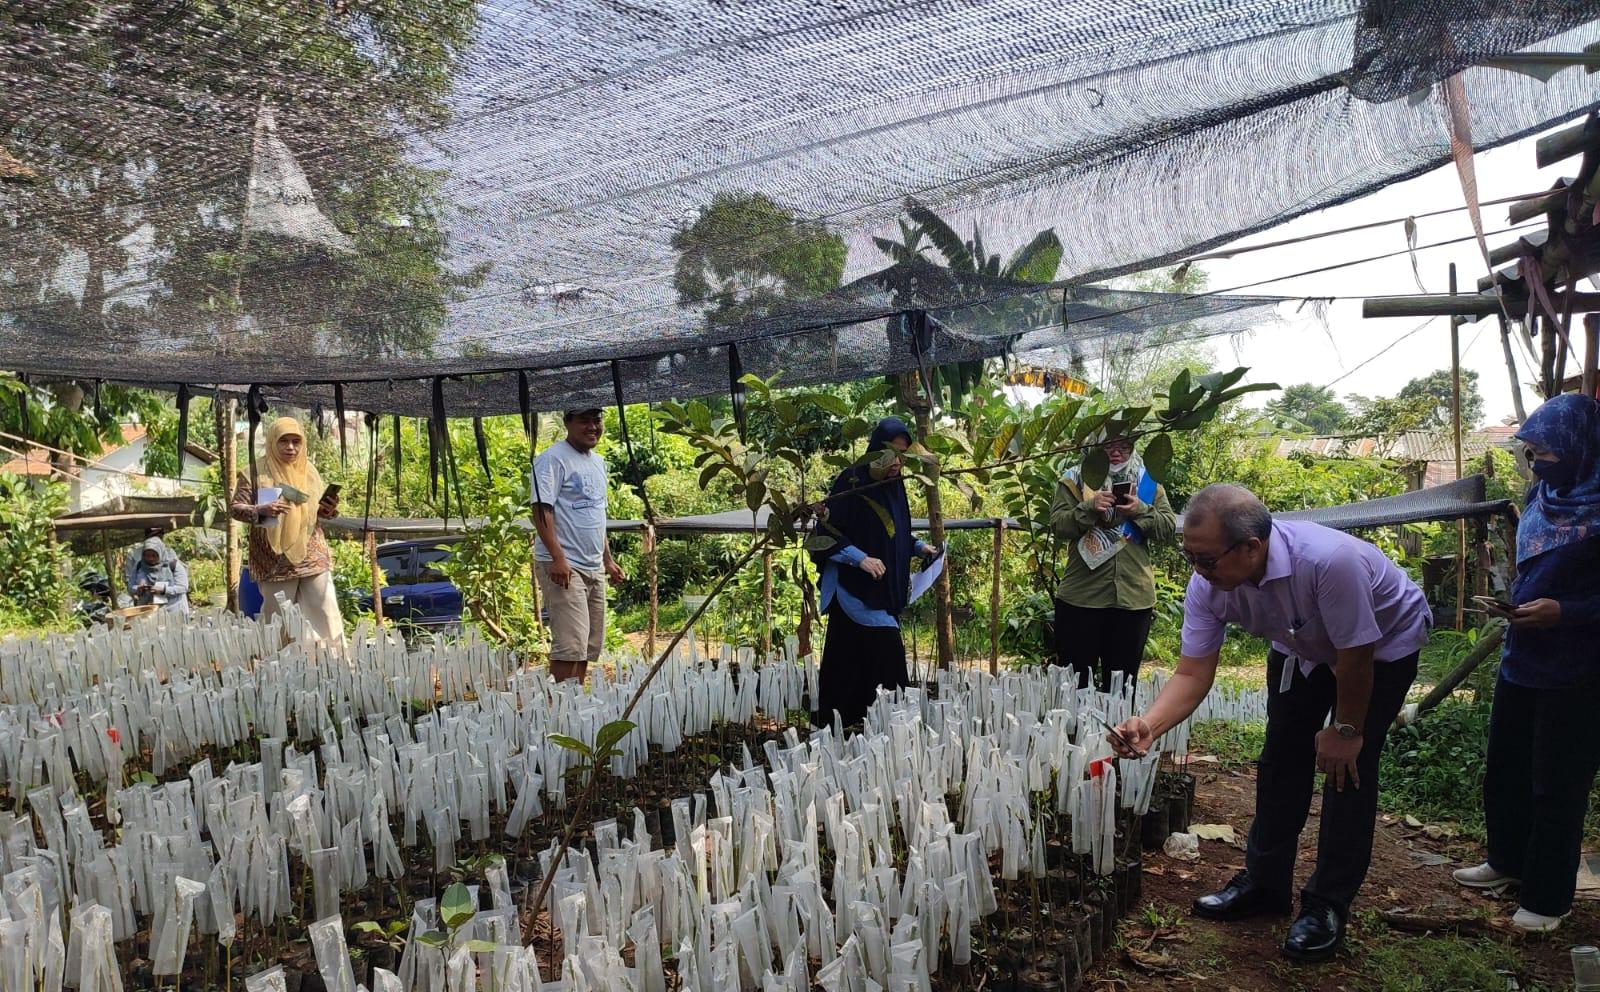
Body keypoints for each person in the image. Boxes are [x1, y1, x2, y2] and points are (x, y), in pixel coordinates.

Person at [1109, 484, 1430, 962]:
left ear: (1252, 547)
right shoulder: (1210, 584)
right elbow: (1193, 672)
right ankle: (1264, 884)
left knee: (1347, 770)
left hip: (1380, 647)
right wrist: (1150, 726)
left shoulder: (1330, 562)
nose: (1197, 570)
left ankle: (1327, 904)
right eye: (1190, 556)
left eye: (1207, 559)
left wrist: (1346, 730)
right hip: (1299, 645)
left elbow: (1356, 659)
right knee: (1281, 757)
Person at [1452, 393, 1600, 933]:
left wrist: (1567, 611)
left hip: (1579, 670)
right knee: (1506, 770)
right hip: (1524, 656)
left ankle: (1548, 898)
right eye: (1531, 452)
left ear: (1580, 448)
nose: (1536, 463)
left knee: (1557, 784)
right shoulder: (1544, 494)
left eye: (1547, 452)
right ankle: (1506, 862)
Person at [810, 417, 939, 727]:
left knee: (851, 661)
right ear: (873, 450)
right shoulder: (851, 480)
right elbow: (826, 531)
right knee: (886, 663)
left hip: (880, 590)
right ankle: (891, 728)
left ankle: (855, 729)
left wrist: (919, 546)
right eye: (890, 453)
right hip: (855, 589)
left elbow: (892, 531)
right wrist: (860, 558)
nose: (896, 462)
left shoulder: (893, 486)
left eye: (903, 455)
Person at [1050, 432, 1176, 692]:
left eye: (1123, 446)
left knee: (1122, 685)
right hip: (1081, 597)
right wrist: (1089, 508)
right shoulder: (1074, 481)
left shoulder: (1148, 483)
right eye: (1108, 446)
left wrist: (1140, 509)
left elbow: (1167, 529)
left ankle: (1118, 732)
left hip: (1133, 598)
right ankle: (1073, 732)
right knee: (1074, 683)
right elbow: (1058, 526)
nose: (1116, 452)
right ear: (1094, 448)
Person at [230, 416, 346, 653]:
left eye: (296, 441)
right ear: (273, 441)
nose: (291, 448)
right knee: (279, 619)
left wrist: (328, 510)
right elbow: (235, 509)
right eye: (284, 441)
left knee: (325, 610)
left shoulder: (309, 471)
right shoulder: (254, 472)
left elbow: (317, 513)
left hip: (311, 554)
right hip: (273, 559)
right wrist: (261, 510)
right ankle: (278, 669)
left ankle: (337, 666)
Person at [532, 408, 626, 683]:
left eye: (597, 420)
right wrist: (558, 558)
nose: (593, 426)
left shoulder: (598, 462)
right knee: (570, 643)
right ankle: (560, 708)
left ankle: (575, 704)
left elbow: (596, 514)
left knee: (587, 642)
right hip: (564, 564)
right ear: (567, 422)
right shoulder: (552, 459)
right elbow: (540, 511)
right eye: (584, 420)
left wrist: (607, 560)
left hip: (593, 564)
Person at [126, 536, 190, 615]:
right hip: (149, 612)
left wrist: (164, 590)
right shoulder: (139, 566)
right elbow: (130, 587)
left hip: (173, 610)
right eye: (147, 555)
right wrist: (138, 589)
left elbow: (183, 587)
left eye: (154, 555)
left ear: (161, 553)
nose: (150, 558)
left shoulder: (172, 564)